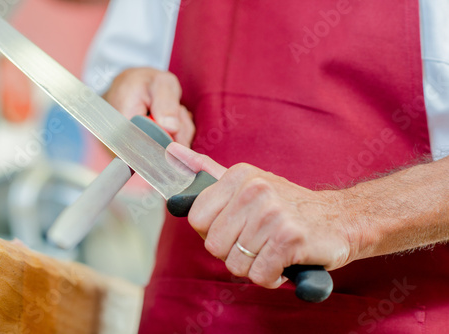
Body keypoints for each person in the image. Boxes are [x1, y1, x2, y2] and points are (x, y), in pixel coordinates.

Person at [84, 0, 449, 332]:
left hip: (386, 315)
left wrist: (347, 218)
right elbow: (118, 99)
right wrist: (130, 98)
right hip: (185, 310)